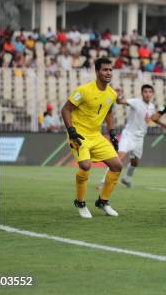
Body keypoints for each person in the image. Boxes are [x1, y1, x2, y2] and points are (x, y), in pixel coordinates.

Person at [60, 58, 122, 218]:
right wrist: (71, 131)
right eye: (104, 70)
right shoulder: (84, 90)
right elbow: (65, 110)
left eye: (110, 70)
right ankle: (80, 202)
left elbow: (108, 112)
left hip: (96, 135)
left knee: (117, 165)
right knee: (86, 165)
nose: (108, 73)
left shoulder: (112, 94)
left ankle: (103, 201)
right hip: (79, 134)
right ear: (97, 72)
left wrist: (112, 133)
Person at [97, 85, 157, 189]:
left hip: (139, 138)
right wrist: (118, 95)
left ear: (153, 94)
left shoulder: (152, 106)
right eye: (145, 92)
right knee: (119, 158)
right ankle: (103, 181)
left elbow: (149, 120)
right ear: (142, 93)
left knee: (135, 162)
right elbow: (120, 102)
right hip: (128, 135)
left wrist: (153, 122)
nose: (147, 94)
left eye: (150, 92)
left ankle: (127, 179)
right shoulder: (136, 102)